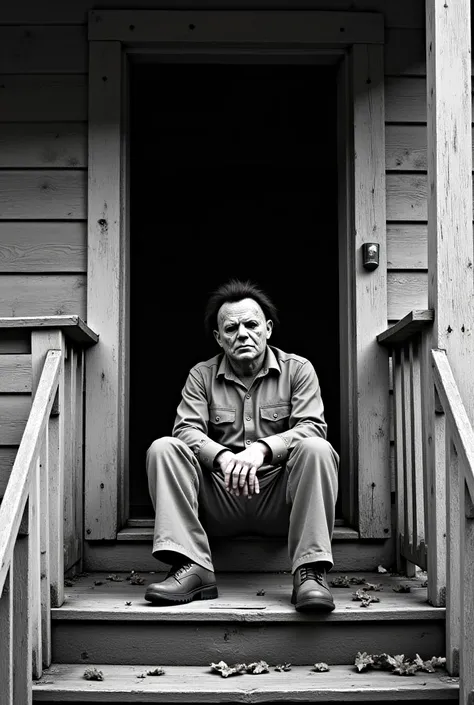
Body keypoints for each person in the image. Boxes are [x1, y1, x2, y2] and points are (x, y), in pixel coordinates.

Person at [145, 279, 339, 611]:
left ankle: (309, 572)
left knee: (318, 448)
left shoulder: (299, 370)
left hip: (280, 501)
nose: (242, 334)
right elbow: (186, 431)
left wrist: (261, 449)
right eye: (231, 328)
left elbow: (312, 427)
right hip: (220, 500)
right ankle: (192, 567)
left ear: (268, 329)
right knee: (164, 447)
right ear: (219, 338)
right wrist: (222, 458)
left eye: (251, 324)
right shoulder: (200, 376)